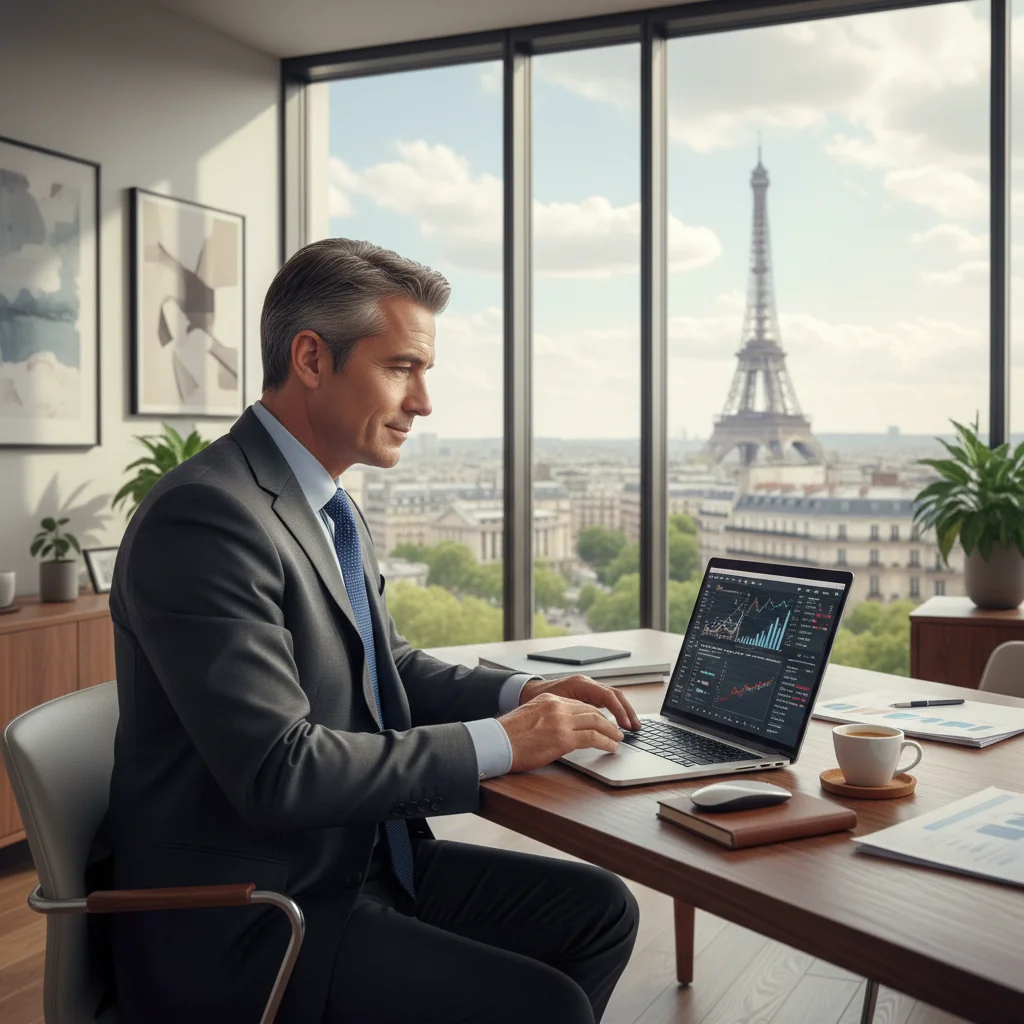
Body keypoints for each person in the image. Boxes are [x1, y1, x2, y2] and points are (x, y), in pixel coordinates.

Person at [95, 238, 641, 1024]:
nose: (423, 402)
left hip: (356, 864)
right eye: (401, 368)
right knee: (544, 1006)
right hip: (254, 916)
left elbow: (387, 668)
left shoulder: (326, 504)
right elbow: (280, 770)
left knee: (600, 912)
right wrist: (502, 742)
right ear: (311, 359)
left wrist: (526, 695)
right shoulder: (207, 516)